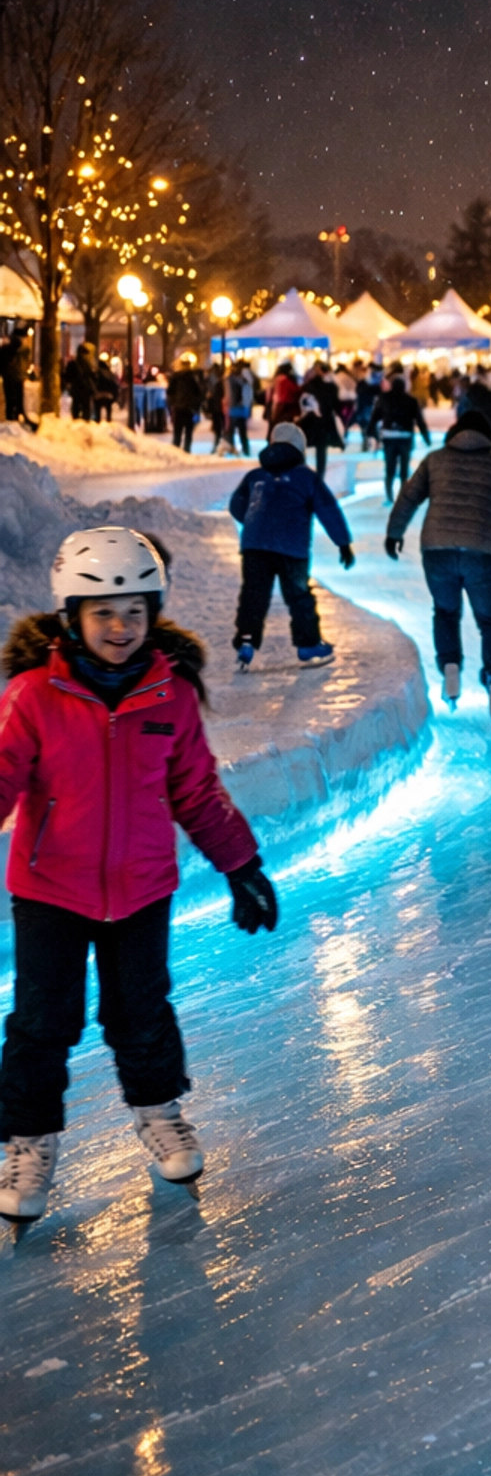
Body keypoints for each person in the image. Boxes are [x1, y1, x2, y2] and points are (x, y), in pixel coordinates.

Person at [0, 528, 279, 1225]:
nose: (120, 628)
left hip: (142, 889)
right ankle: (28, 1144)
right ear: (72, 617)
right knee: (41, 1023)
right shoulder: (35, 696)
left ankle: (160, 1114)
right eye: (103, 613)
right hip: (50, 892)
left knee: (142, 1014)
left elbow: (196, 790)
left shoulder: (170, 696)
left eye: (134, 612)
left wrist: (242, 864)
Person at [384, 406, 491, 724]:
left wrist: (394, 533)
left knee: (445, 611)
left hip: (437, 550)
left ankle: (450, 670)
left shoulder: (436, 459)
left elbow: (408, 497)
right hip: (481, 552)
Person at [227, 421, 354, 668]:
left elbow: (237, 505)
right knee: (298, 595)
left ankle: (246, 640)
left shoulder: (256, 476)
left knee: (254, 594)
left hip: (254, 546)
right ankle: (307, 645)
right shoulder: (306, 478)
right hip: (291, 548)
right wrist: (343, 543)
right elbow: (328, 509)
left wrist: (256, 523)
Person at [369, 366, 432, 502]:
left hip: (388, 436)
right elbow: (420, 421)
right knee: (404, 469)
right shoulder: (411, 401)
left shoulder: (384, 399)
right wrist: (426, 438)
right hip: (405, 437)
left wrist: (371, 434)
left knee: (389, 468)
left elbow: (375, 418)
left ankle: (389, 495)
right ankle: (403, 495)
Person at [166, 358, 204, 453]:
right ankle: (186, 450)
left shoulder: (176, 377)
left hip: (179, 407)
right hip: (188, 408)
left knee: (177, 432)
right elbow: (198, 393)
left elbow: (169, 392)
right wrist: (196, 406)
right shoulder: (192, 377)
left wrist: (172, 403)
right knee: (188, 432)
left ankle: (176, 449)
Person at [225, 360, 255, 456]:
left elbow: (228, 394)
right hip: (242, 409)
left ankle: (231, 449)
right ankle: (245, 450)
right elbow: (249, 394)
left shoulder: (230, 379)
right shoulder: (245, 379)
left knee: (231, 431)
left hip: (233, 408)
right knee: (242, 432)